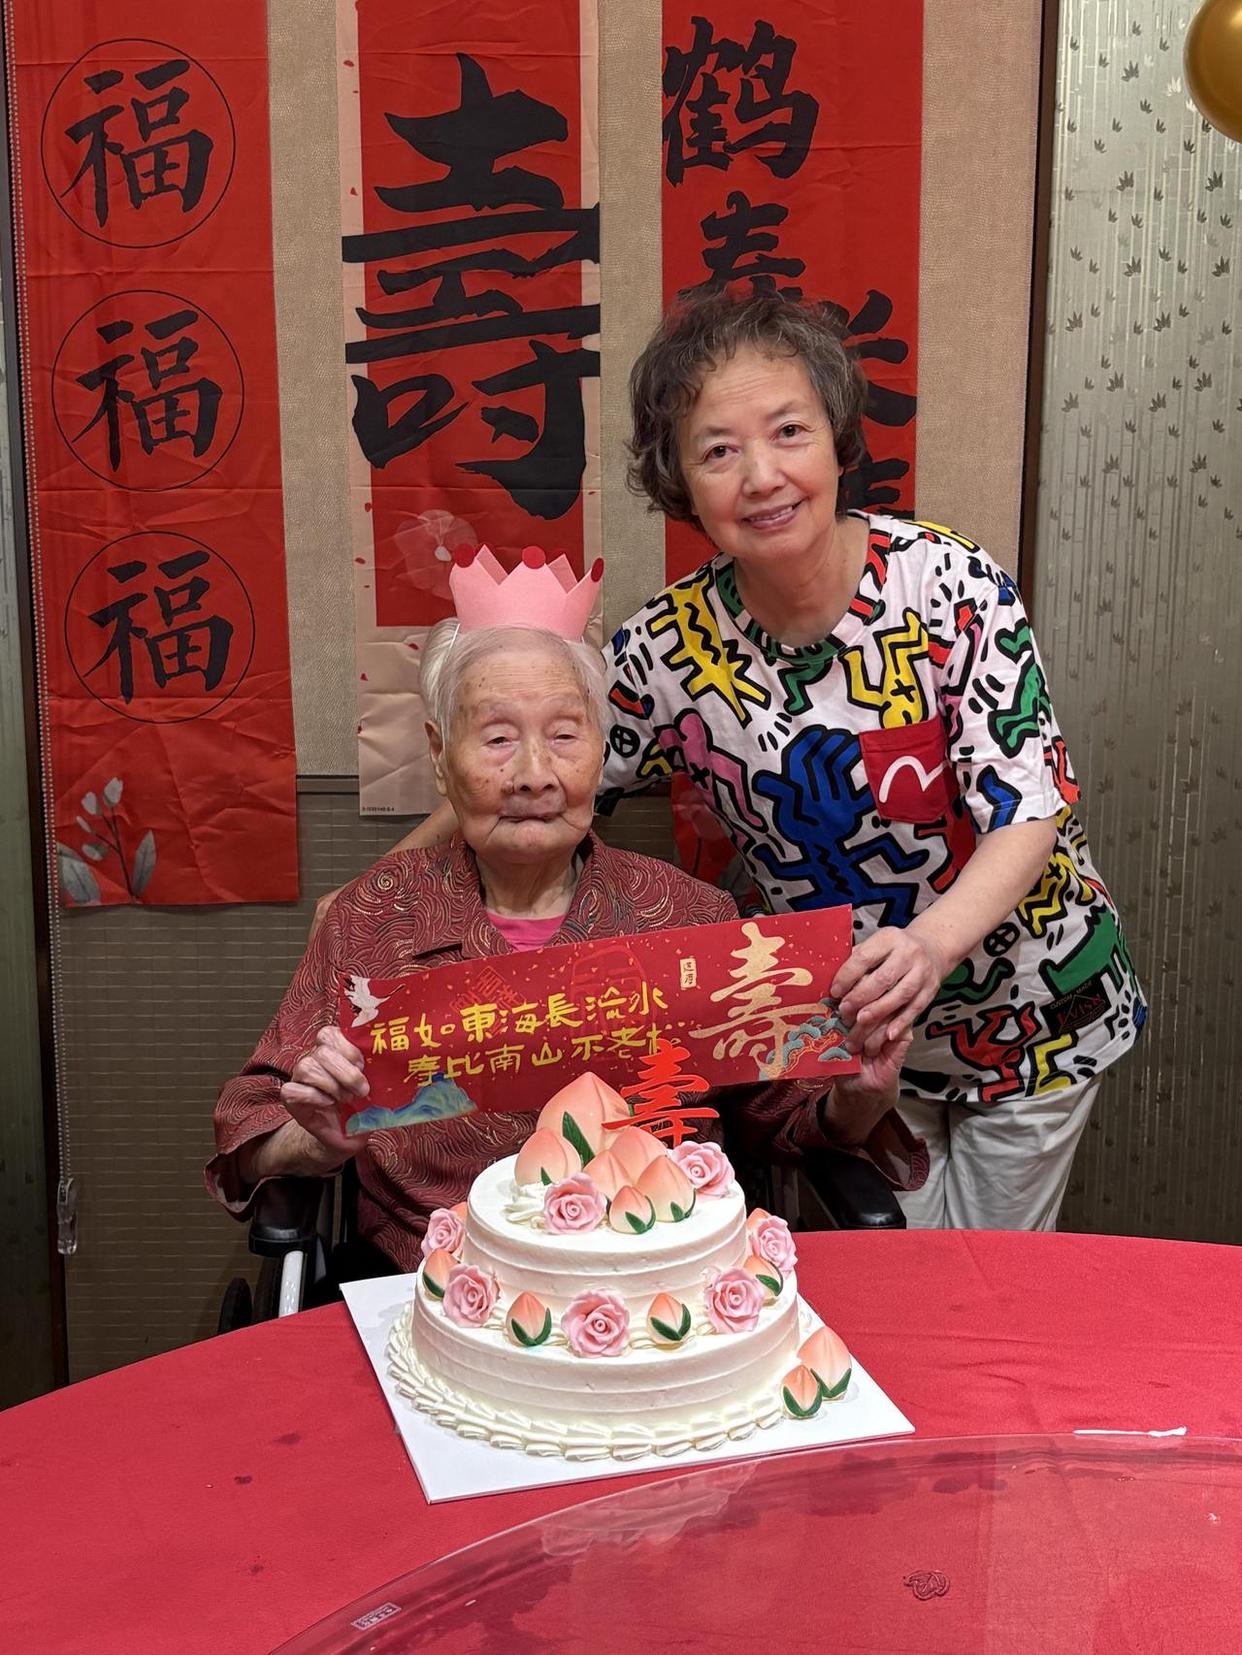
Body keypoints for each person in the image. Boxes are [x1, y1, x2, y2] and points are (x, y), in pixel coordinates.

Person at [369, 290, 1144, 1231]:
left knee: (981, 1287)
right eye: (718, 451)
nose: (762, 476)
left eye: (789, 431)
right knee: (880, 1282)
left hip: (1026, 1011)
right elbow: (533, 775)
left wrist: (930, 947)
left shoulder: (953, 586)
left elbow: (1028, 808)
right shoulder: (669, 650)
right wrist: (380, 887)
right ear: (682, 484)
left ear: (838, 441)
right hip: (840, 1037)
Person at [210, 619, 921, 1269]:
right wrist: (315, 1139)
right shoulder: (371, 918)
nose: (533, 774)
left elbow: (788, 1119)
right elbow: (251, 1123)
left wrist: (860, 1095)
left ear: (600, 750)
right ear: (439, 755)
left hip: (659, 1282)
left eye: (564, 736)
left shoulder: (692, 917)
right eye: (496, 738)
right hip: (432, 1282)